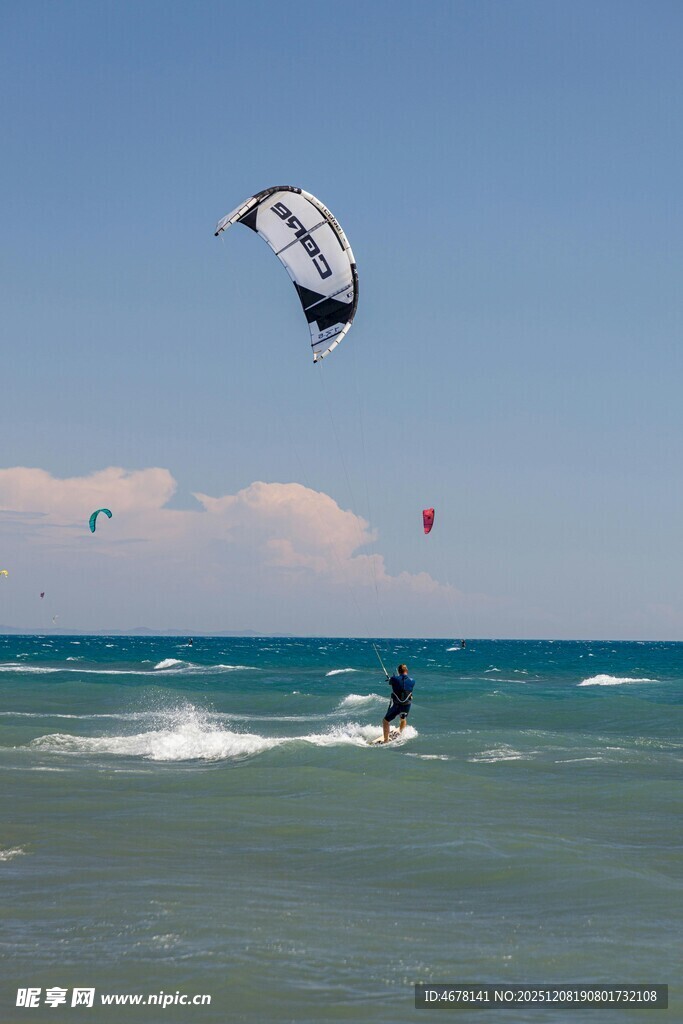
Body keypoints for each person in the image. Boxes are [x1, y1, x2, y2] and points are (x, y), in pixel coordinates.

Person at [382, 663, 415, 743]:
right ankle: (401, 733)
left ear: (398, 671)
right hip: (406, 706)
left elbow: (391, 683)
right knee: (403, 718)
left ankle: (386, 741)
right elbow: (405, 686)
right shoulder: (413, 681)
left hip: (397, 706)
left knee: (385, 721)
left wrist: (391, 679)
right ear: (407, 670)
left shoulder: (394, 679)